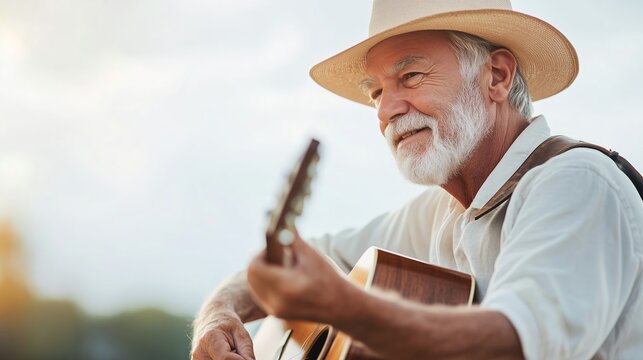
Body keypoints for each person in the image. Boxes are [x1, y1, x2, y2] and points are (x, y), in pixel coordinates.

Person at [191, 1, 643, 359]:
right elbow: (289, 262)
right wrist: (218, 312)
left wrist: (341, 306)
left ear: (497, 77)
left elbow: (514, 343)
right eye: (377, 93)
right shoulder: (440, 211)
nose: (387, 110)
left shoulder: (577, 183)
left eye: (410, 76)